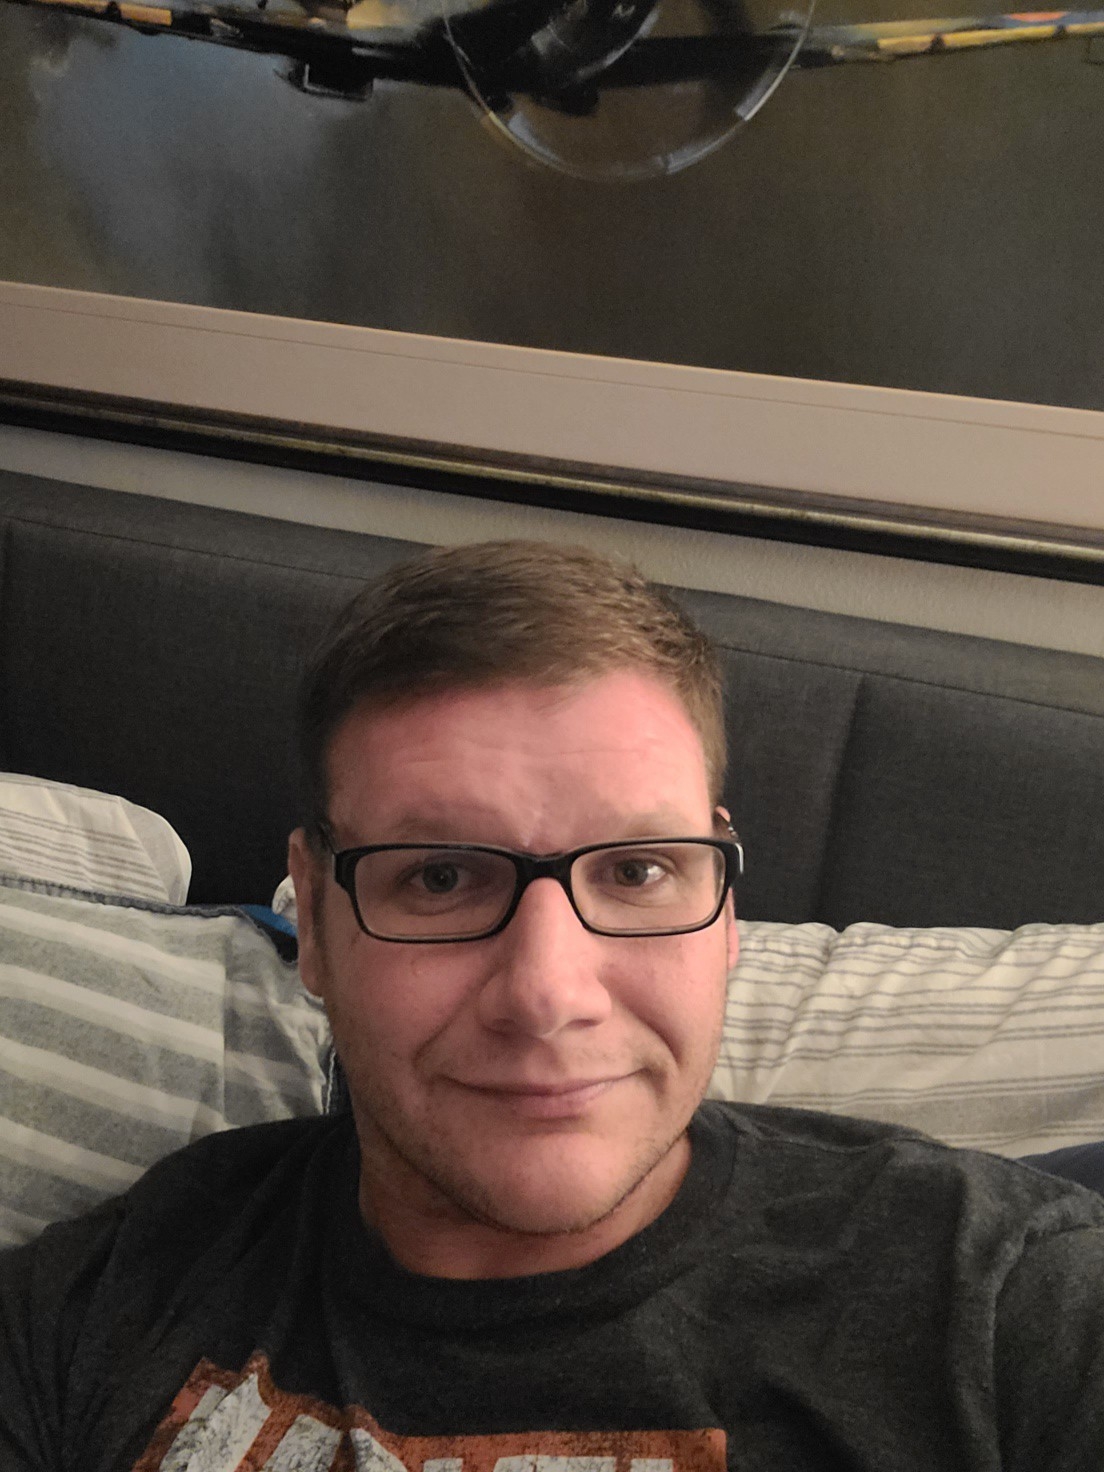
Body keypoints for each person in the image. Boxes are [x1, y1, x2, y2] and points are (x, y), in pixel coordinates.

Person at [1, 539, 1102, 1472]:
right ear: (320, 920)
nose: (546, 994)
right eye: (440, 876)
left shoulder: (1004, 1302)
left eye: (636, 871)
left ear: (724, 911)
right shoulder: (108, 1295)